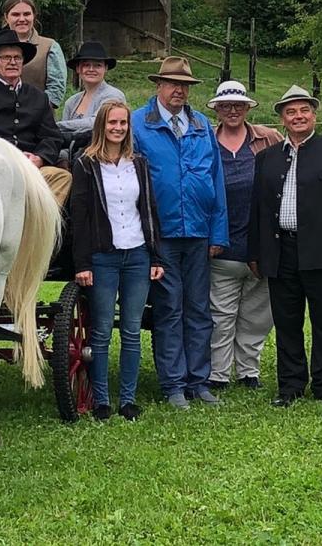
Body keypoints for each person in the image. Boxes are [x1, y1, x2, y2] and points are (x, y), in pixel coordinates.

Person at [249, 84, 322, 406]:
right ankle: (290, 387)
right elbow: (257, 209)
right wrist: (255, 252)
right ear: (282, 119)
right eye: (291, 112)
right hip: (280, 250)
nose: (298, 116)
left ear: (314, 115)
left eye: (304, 111)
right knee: (286, 323)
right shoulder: (268, 158)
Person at [131, 57, 228, 409]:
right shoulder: (139, 124)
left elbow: (215, 179)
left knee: (199, 308)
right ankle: (173, 384)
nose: (179, 91)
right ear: (158, 85)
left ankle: (199, 382)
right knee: (169, 308)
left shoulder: (201, 125)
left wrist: (218, 233)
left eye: (184, 85)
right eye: (172, 84)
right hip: (161, 234)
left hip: (199, 232)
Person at [71, 101, 165, 421]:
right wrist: (82, 263)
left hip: (137, 253)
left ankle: (127, 398)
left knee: (131, 329)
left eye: (123, 123)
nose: (118, 128)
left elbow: (149, 209)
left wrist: (156, 255)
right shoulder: (85, 164)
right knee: (99, 332)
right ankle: (101, 399)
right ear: (102, 125)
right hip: (103, 256)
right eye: (112, 122)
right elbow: (79, 217)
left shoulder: (138, 163)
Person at [206, 80, 282, 391]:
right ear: (218, 109)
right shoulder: (205, 140)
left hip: (260, 245)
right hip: (222, 247)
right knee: (220, 316)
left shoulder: (269, 139)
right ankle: (219, 374)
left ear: (248, 108)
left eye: (239, 105)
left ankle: (248, 371)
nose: (233, 110)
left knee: (257, 316)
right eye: (226, 105)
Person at [0, 29, 72, 206]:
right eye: (6, 58)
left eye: (17, 58)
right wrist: (11, 157)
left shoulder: (38, 96)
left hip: (32, 168)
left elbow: (51, 136)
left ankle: (36, 226)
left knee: (61, 177)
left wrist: (39, 158)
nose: (12, 62)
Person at [0, 0, 67, 108]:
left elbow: (56, 91)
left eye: (26, 14)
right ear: (6, 17)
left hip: (39, 118)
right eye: (16, 14)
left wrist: (31, 109)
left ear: (34, 16)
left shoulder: (49, 46)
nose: (22, 19)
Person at [58, 41, 126, 137]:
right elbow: (62, 134)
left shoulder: (113, 95)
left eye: (97, 65)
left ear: (105, 68)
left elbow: (97, 122)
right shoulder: (71, 102)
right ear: (78, 69)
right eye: (86, 65)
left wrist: (57, 125)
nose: (91, 69)